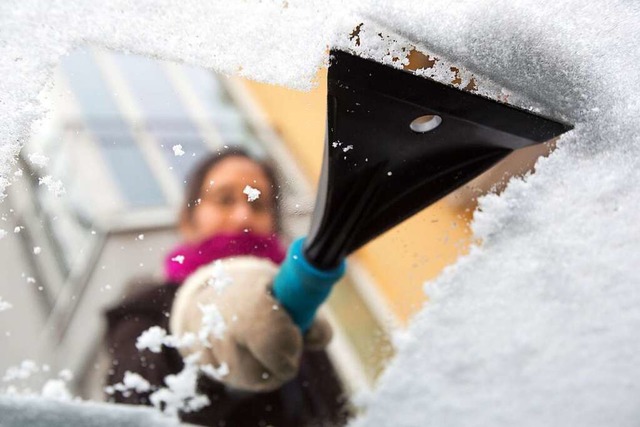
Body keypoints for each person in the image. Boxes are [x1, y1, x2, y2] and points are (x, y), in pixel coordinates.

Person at [104, 148, 350, 426]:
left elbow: (335, 412)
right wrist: (210, 352)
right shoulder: (145, 308)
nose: (242, 217)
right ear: (188, 221)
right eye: (225, 200)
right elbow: (134, 404)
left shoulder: (297, 318)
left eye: (257, 204)